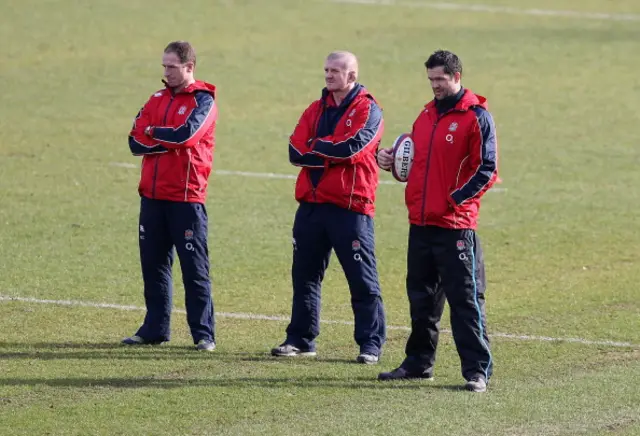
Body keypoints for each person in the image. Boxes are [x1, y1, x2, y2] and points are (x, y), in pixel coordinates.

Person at [376, 50, 498, 391]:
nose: (435, 86)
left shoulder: (476, 117)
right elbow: (416, 160)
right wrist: (389, 160)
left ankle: (476, 371)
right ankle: (419, 363)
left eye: (440, 80)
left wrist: (454, 200)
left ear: (457, 76)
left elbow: (487, 169)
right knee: (422, 299)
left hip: (456, 226)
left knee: (465, 300)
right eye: (431, 80)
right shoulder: (426, 115)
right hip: (421, 223)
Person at [271, 51, 387, 364]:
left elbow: (355, 148)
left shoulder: (369, 109)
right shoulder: (315, 108)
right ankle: (300, 339)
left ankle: (370, 344)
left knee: (362, 279)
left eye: (335, 70)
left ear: (352, 75)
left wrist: (318, 146)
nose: (328, 75)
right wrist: (328, 149)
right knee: (304, 276)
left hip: (350, 207)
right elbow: (295, 150)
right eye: (326, 70)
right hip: (311, 206)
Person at [123, 41, 218, 351]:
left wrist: (154, 132)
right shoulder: (156, 98)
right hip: (152, 197)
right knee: (153, 266)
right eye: (164, 66)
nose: (166, 72)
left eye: (171, 67)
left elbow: (187, 135)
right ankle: (155, 329)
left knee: (194, 268)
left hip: (186, 198)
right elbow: (134, 142)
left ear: (189, 67)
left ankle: (203, 333)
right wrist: (162, 136)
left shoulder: (203, 101)